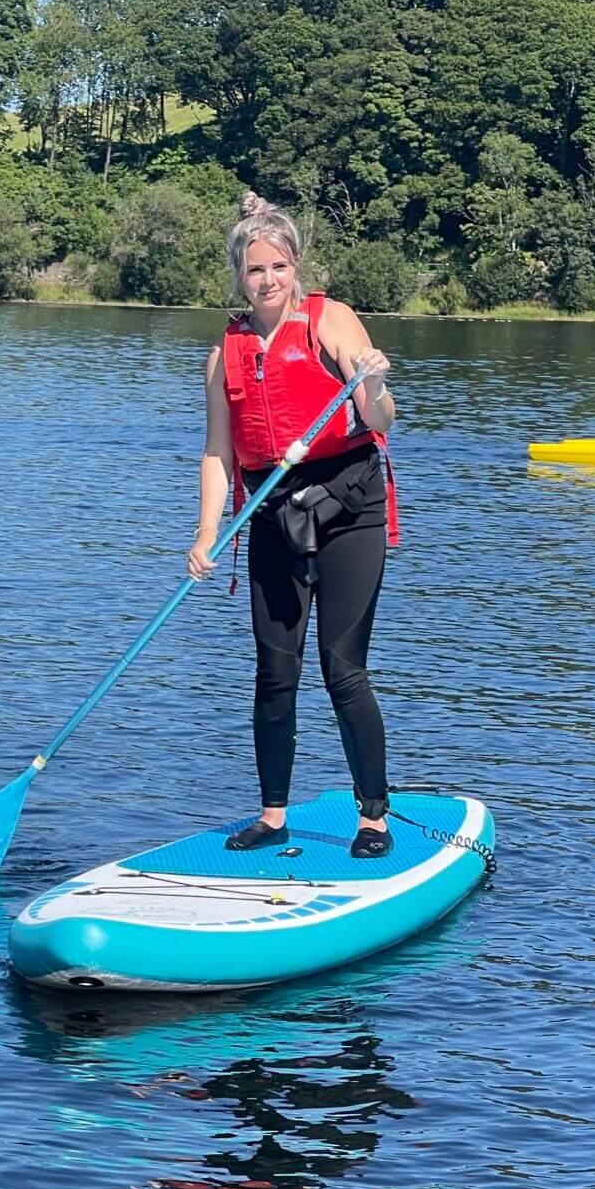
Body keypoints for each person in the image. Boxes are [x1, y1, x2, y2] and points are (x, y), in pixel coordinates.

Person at [186, 194, 398, 859]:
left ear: (295, 265)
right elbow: (220, 452)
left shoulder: (330, 321)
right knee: (274, 674)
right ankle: (273, 816)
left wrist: (373, 383)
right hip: (273, 515)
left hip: (348, 508)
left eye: (278, 266)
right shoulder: (225, 354)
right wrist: (205, 532)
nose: (268, 279)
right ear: (239, 275)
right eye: (255, 270)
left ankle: (373, 818)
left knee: (342, 670)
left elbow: (381, 419)